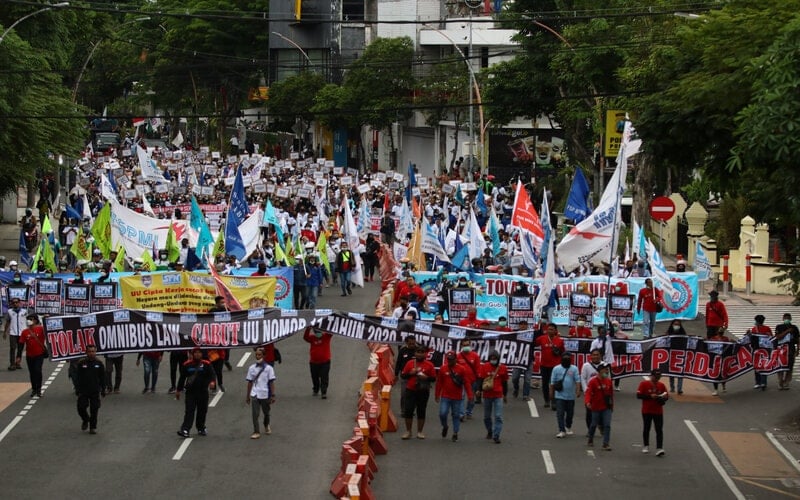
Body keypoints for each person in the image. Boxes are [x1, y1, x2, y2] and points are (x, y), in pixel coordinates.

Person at [176, 347, 218, 437]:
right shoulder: (187, 365)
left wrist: (212, 382)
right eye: (195, 353)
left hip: (203, 392)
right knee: (189, 411)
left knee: (202, 411)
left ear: (202, 354)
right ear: (192, 354)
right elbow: (182, 378)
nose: (197, 354)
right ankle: (185, 429)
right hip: (191, 393)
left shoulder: (206, 364)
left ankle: (201, 428)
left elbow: (212, 375)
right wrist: (178, 390)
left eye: (199, 352)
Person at [399, 345, 436, 439]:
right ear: (415, 353)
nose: (420, 354)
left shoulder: (429, 365)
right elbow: (403, 376)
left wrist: (426, 377)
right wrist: (410, 373)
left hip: (423, 391)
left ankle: (420, 431)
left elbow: (433, 378)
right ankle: (408, 431)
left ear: (425, 354)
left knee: (421, 410)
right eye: (418, 352)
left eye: (422, 352)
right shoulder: (410, 363)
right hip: (410, 390)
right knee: (408, 410)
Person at [435, 351, 473, 442]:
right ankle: (445, 426)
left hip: (457, 397)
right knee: (442, 413)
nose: (450, 361)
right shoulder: (443, 369)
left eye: (451, 359)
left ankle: (455, 432)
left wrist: (470, 395)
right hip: (445, 396)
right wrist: (437, 394)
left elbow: (466, 382)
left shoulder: (462, 369)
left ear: (456, 359)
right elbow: (439, 382)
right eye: (448, 359)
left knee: (456, 415)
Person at [478, 350, 509, 443]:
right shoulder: (485, 367)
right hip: (487, 395)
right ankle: (489, 431)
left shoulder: (503, 368)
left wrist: (505, 395)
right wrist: (479, 390)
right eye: (491, 359)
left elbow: (505, 383)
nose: (493, 360)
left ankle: (496, 435)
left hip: (498, 395)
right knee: (487, 416)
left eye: (494, 359)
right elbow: (481, 379)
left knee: (498, 416)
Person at [245, 347, 277, 439]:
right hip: (255, 394)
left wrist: (273, 395)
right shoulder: (251, 368)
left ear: (264, 355)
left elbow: (271, 382)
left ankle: (266, 425)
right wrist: (247, 396)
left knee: (266, 412)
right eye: (256, 355)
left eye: (259, 355)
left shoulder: (269, 369)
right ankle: (256, 431)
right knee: (255, 414)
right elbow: (249, 382)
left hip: (265, 394)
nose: (258, 356)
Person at [637, 369, 669, 456]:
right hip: (647, 410)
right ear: (651, 376)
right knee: (646, 428)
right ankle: (646, 445)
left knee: (659, 429)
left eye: (658, 377)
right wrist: (650, 396)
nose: (657, 379)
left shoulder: (661, 385)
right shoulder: (644, 384)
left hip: (658, 411)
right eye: (655, 376)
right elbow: (639, 395)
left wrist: (662, 398)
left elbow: (666, 396)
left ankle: (659, 448)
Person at [75, 345, 106, 434]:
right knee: (81, 407)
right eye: (90, 351)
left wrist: (103, 389)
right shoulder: (81, 363)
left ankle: (92, 427)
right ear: (86, 352)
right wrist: (78, 388)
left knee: (94, 409)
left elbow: (102, 377)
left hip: (95, 390)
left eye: (93, 351)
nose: (91, 353)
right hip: (84, 390)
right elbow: (78, 377)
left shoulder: (99, 364)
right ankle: (85, 419)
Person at [16, 313, 48, 398]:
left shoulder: (41, 329)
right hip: (29, 355)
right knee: (32, 372)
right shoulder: (24, 332)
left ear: (36, 320)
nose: (29, 320)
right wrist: (18, 356)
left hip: (39, 354)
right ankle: (34, 389)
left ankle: (39, 389)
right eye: (28, 319)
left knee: (38, 370)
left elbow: (49, 330)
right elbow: (21, 345)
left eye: (31, 319)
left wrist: (46, 319)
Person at [550, 353, 581, 438]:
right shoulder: (556, 369)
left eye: (568, 359)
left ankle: (568, 426)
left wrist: (578, 390)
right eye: (565, 359)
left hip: (570, 396)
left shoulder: (574, 368)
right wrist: (551, 393)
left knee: (570, 414)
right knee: (560, 413)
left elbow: (578, 380)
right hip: (559, 396)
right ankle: (561, 430)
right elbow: (552, 382)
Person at [535, 323, 565, 409]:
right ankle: (546, 400)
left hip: (555, 366)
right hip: (544, 365)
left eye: (552, 329)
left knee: (554, 384)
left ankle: (554, 401)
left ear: (555, 331)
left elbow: (563, 352)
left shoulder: (560, 340)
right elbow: (533, 343)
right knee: (545, 384)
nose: (550, 331)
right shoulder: (542, 338)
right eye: (548, 329)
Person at [585, 362, 614, 450]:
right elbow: (588, 393)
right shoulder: (593, 381)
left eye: (607, 370)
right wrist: (588, 402)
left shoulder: (609, 381)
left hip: (606, 407)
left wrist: (612, 406)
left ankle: (606, 443)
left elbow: (611, 395)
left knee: (607, 425)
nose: (607, 371)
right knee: (593, 424)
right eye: (605, 370)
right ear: (600, 371)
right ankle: (590, 438)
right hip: (596, 407)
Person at [303, 327, 332, 398]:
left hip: (325, 362)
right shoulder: (312, 338)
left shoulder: (326, 336)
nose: (318, 334)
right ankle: (316, 389)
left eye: (319, 332)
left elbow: (331, 330)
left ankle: (324, 392)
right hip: (314, 362)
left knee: (324, 377)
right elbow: (305, 337)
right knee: (314, 377)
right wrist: (308, 329)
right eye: (316, 332)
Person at [456, 339, 481, 420]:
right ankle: (461, 414)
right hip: (462, 381)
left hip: (472, 380)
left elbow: (478, 369)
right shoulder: (458, 356)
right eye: (464, 345)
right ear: (461, 346)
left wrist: (478, 383)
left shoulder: (475, 356)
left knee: (471, 398)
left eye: (467, 345)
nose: (466, 347)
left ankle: (469, 412)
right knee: (461, 397)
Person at [775, 313, 799, 390]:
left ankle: (786, 382)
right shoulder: (779, 327)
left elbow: (798, 339)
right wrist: (787, 331)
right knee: (780, 366)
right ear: (783, 319)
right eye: (785, 318)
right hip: (781, 349)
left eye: (788, 318)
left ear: (791, 319)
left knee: (790, 367)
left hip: (791, 349)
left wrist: (798, 350)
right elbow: (778, 337)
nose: (787, 319)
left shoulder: (794, 328)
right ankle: (780, 382)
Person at [580, 349, 603, 432]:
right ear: (591, 356)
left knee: (601, 411)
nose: (595, 357)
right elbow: (583, 378)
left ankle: (600, 425)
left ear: (600, 356)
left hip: (601, 393)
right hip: (589, 393)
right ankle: (590, 430)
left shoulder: (604, 365)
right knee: (589, 413)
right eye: (594, 355)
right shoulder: (586, 366)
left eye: (597, 355)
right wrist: (586, 390)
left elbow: (607, 378)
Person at [748, 314, 773, 390]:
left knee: (759, 366)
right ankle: (762, 382)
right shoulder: (756, 329)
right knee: (760, 365)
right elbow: (772, 338)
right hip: (763, 350)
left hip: (759, 350)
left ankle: (759, 382)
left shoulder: (756, 329)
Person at [3, 297, 27, 370]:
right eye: (13, 303)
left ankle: (18, 363)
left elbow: (29, 321)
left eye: (16, 302)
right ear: (12, 304)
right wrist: (5, 332)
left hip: (22, 333)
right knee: (12, 348)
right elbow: (8, 322)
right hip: (13, 333)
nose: (15, 304)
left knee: (20, 349)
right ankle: (12, 364)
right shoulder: (10, 311)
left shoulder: (24, 311)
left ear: (19, 303)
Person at [511, 320, 532, 401]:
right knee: (514, 378)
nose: (523, 326)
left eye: (525, 325)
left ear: (527, 326)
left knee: (527, 379)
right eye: (521, 324)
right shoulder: (514, 334)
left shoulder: (531, 334)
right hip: (518, 360)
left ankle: (525, 395)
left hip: (528, 360)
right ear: (519, 326)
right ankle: (516, 388)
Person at [707, 327, 731, 395]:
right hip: (715, 359)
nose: (720, 333)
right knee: (715, 374)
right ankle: (715, 390)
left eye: (722, 331)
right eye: (720, 331)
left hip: (723, 359)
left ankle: (723, 386)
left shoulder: (726, 339)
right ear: (717, 332)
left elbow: (730, 346)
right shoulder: (712, 339)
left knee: (723, 373)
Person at [666, 320, 688, 394]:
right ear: (672, 325)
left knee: (680, 373)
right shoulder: (668, 333)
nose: (676, 326)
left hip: (680, 356)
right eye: (675, 324)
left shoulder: (683, 334)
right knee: (671, 373)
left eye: (678, 324)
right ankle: (672, 387)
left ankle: (679, 389)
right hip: (671, 355)